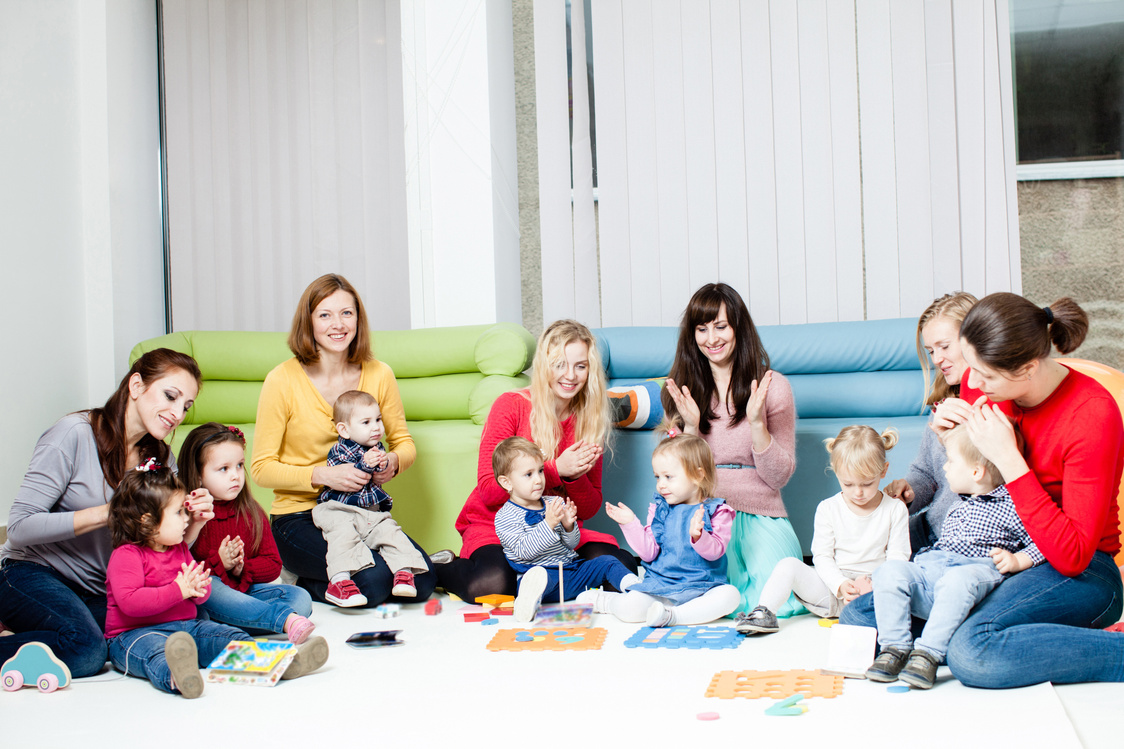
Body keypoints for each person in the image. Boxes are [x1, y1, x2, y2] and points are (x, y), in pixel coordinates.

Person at [842, 293, 1124, 688]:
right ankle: (978, 637)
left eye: (985, 375)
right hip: (988, 562)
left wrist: (1010, 460)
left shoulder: (1091, 413)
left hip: (1077, 570)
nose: (972, 384)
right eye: (971, 368)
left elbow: (1073, 555)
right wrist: (948, 440)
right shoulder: (986, 389)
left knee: (971, 651)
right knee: (859, 621)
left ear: (1027, 368)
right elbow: (974, 502)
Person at [0, 349, 210, 678]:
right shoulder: (73, 434)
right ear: (136, 385)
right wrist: (108, 513)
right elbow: (20, 528)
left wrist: (194, 521)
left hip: (99, 588)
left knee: (190, 624)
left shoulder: (161, 460)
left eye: (185, 406)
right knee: (87, 649)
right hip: (32, 573)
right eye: (170, 396)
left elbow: (164, 544)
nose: (177, 413)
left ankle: (23, 639)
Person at [251, 273, 436, 607]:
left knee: (421, 580)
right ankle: (299, 581)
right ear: (308, 322)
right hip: (299, 517)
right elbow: (261, 469)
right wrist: (323, 475)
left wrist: (391, 464)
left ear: (358, 319)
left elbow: (404, 443)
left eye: (346, 313)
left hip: (364, 513)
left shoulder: (379, 374)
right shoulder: (282, 380)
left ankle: (331, 577)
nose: (337, 324)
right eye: (325, 315)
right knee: (375, 582)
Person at [436, 320, 636, 603]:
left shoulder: (589, 420)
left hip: (556, 533)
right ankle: (440, 568)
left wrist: (573, 476)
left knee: (622, 567)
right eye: (560, 364)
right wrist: (556, 470)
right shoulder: (511, 405)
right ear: (544, 366)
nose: (570, 375)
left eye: (580, 366)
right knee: (491, 585)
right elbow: (490, 491)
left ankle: (543, 584)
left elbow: (588, 509)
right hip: (500, 525)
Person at [105, 464, 328, 698]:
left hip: (187, 627)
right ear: (147, 522)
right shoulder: (126, 555)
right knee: (155, 653)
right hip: (134, 634)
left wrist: (199, 589)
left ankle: (282, 664)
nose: (186, 518)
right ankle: (177, 676)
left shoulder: (178, 548)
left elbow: (201, 596)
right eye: (178, 512)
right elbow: (130, 602)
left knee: (228, 637)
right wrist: (179, 590)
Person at [865, 425, 1041, 689]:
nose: (945, 467)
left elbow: (1041, 541)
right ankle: (895, 648)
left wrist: (1018, 561)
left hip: (976, 569)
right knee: (889, 572)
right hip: (935, 568)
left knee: (958, 580)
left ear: (976, 472)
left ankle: (928, 654)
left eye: (950, 461)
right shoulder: (958, 505)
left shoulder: (1014, 506)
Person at [662, 283, 799, 615]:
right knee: (701, 598)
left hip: (760, 515)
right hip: (703, 514)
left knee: (775, 602)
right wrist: (691, 430)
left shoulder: (772, 386)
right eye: (702, 328)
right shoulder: (682, 391)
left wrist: (756, 424)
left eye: (721, 326)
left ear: (738, 327)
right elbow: (676, 481)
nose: (712, 338)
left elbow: (779, 477)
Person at [737, 425, 909, 635]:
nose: (858, 492)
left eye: (867, 483)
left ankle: (871, 612)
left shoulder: (895, 509)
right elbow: (822, 557)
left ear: (883, 470)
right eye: (848, 484)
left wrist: (876, 583)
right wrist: (840, 584)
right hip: (832, 591)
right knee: (788, 565)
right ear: (836, 472)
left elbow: (898, 558)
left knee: (905, 584)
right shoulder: (828, 508)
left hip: (875, 592)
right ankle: (764, 613)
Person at [579, 434, 740, 627]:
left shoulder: (717, 510)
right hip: (661, 587)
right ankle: (607, 602)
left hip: (703, 588)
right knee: (629, 609)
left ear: (698, 475)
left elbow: (715, 553)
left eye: (669, 477)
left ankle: (673, 617)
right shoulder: (659, 509)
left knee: (730, 596)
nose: (661, 484)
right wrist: (631, 524)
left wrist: (700, 536)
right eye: (658, 477)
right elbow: (648, 554)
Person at [178, 422, 315, 643]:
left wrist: (241, 567)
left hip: (244, 593)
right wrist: (219, 562)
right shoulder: (188, 513)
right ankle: (283, 621)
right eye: (224, 469)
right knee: (208, 587)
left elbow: (273, 565)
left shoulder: (251, 511)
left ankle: (232, 624)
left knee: (301, 598)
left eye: (240, 465)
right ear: (198, 475)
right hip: (209, 595)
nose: (235, 476)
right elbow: (177, 567)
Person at [491, 437, 639, 621]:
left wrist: (569, 527)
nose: (538, 480)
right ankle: (528, 602)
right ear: (507, 482)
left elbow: (571, 545)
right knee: (538, 578)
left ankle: (637, 589)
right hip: (541, 576)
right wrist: (548, 524)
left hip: (569, 569)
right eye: (528, 474)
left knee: (607, 562)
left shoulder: (554, 503)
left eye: (540, 471)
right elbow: (524, 552)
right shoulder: (505, 517)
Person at [313, 391, 428, 607]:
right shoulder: (340, 449)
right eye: (366, 422)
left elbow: (383, 466)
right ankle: (339, 581)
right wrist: (366, 463)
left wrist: (387, 464)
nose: (376, 427)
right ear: (344, 430)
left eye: (378, 419)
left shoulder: (376, 447)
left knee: (392, 533)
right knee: (343, 539)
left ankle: (403, 572)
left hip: (370, 512)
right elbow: (351, 470)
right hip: (339, 510)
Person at [883, 292, 978, 552]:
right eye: (931, 351)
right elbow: (926, 471)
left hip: (968, 537)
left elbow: (986, 479)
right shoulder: (943, 403)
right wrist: (909, 489)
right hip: (934, 525)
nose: (936, 359)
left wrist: (947, 440)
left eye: (944, 347)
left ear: (975, 338)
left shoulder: (995, 400)